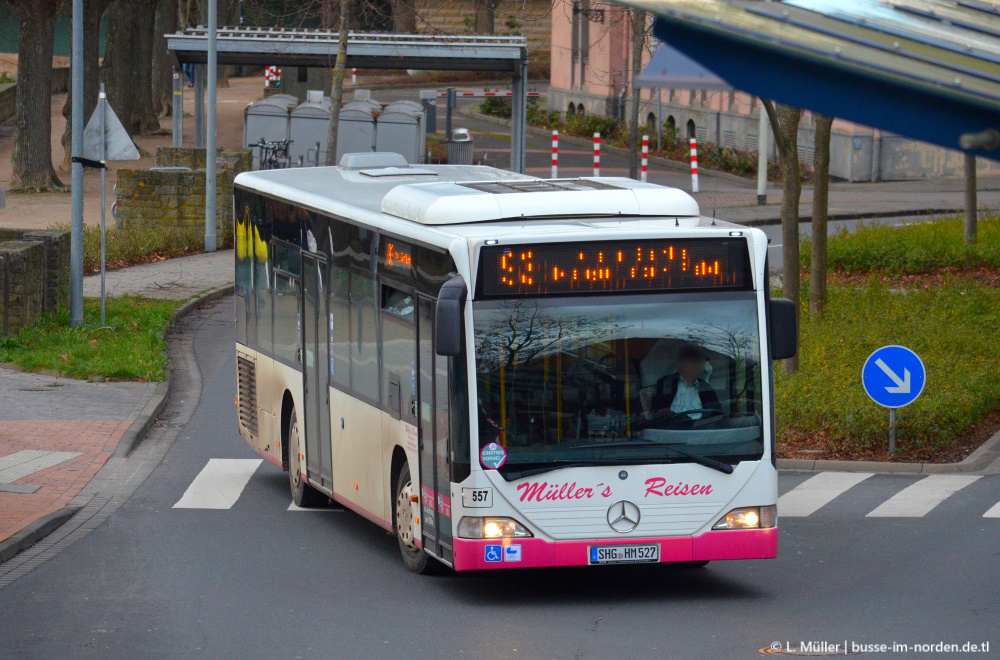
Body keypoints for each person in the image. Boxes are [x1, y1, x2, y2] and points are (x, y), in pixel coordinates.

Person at [650, 343, 722, 420]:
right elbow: (657, 413)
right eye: (693, 361)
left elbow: (717, 414)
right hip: (671, 429)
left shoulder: (706, 388)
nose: (698, 366)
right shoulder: (665, 383)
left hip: (700, 429)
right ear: (682, 363)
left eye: (700, 362)